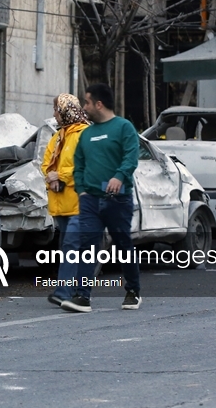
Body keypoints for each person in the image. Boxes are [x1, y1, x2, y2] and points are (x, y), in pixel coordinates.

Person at [62, 83, 142, 313]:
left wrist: (119, 176)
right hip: (90, 200)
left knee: (123, 245)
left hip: (118, 199)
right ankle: (82, 297)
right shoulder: (87, 134)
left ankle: (133, 291)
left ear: (99, 104)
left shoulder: (124, 128)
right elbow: (79, 164)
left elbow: (131, 157)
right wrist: (82, 190)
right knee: (87, 245)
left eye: (86, 102)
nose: (84, 107)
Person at [40, 93, 88, 307]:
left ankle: (64, 292)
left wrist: (60, 176)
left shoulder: (84, 134)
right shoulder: (59, 136)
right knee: (71, 248)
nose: (54, 114)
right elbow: (46, 163)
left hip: (80, 203)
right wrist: (50, 178)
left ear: (66, 111)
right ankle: (78, 292)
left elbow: (86, 166)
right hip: (61, 205)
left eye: (57, 110)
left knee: (71, 246)